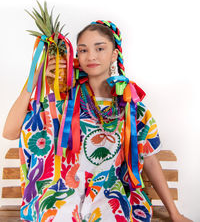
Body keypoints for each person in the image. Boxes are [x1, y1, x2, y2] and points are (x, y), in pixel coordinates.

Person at [3, 20, 192, 222]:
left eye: (99, 48)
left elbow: (151, 161)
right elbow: (10, 132)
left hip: (109, 197)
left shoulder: (132, 107)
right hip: (61, 199)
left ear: (114, 54)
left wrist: (175, 214)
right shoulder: (59, 105)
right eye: (83, 50)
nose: (91, 56)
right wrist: (33, 80)